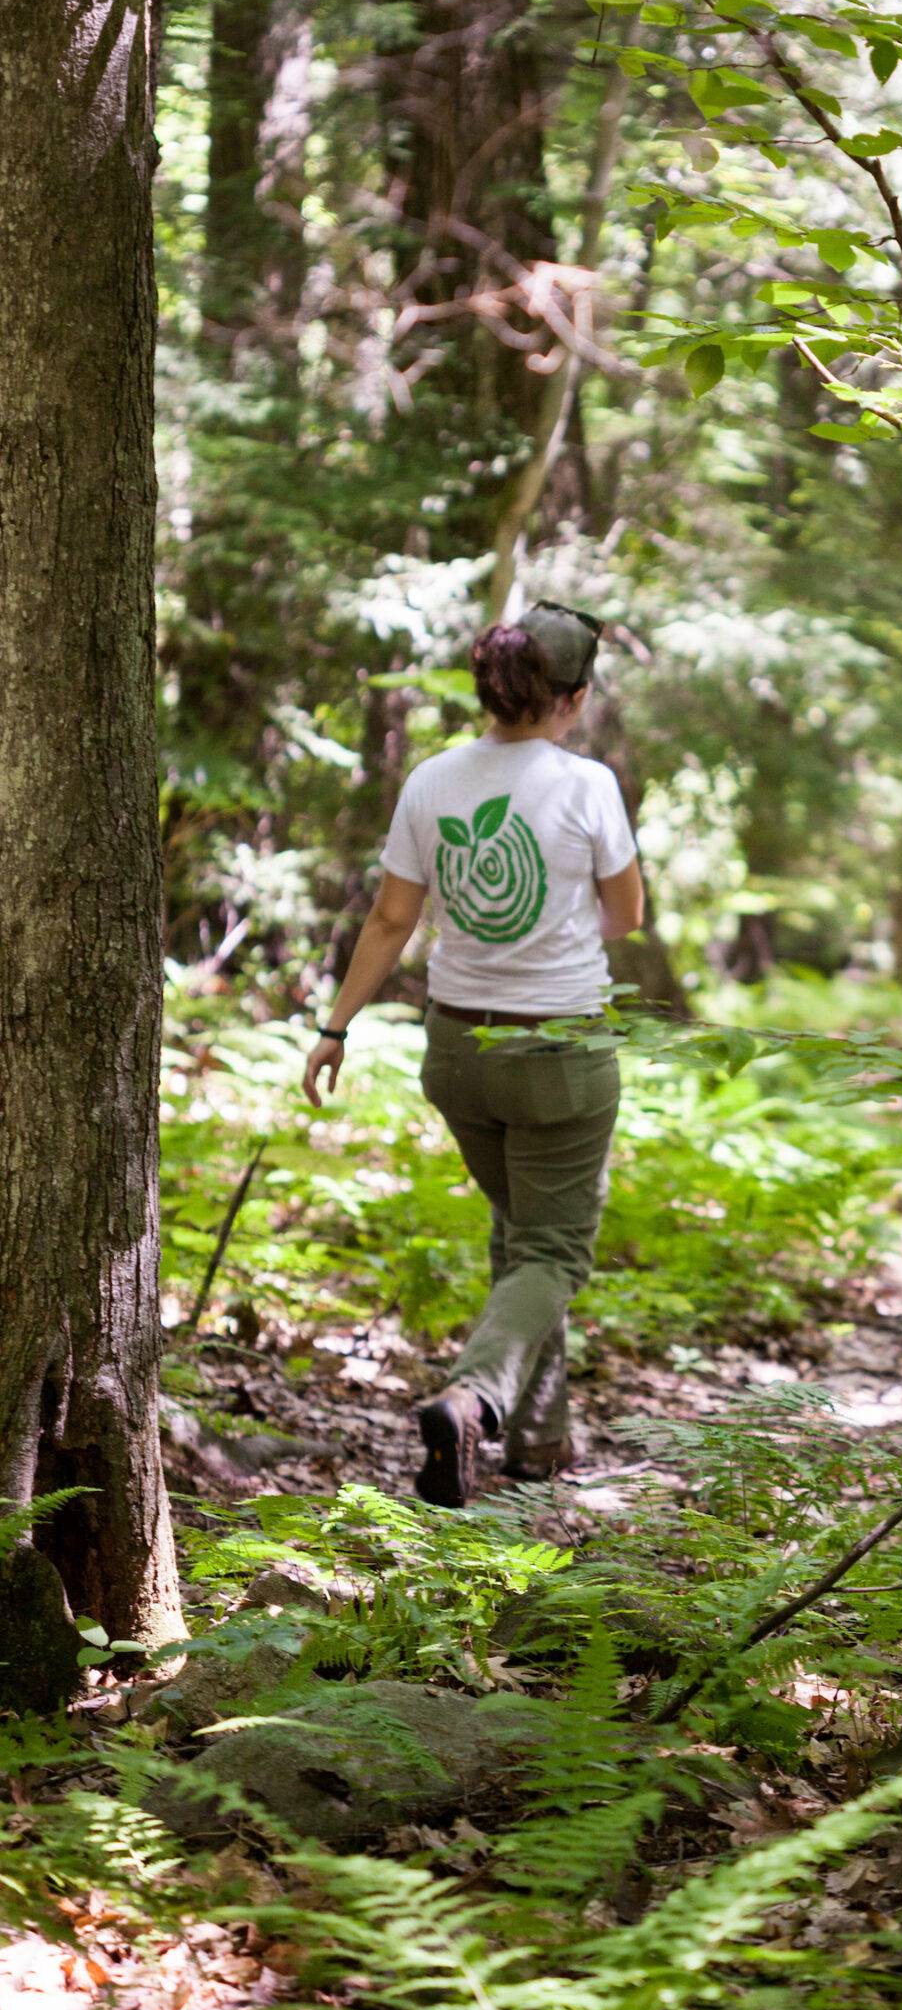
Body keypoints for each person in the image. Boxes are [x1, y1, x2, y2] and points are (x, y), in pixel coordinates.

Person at [302, 604, 646, 1506]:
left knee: (520, 1236)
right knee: (554, 1253)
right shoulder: (587, 786)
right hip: (560, 1050)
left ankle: (537, 1445)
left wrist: (334, 1027)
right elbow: (627, 915)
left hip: (458, 1049)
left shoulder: (431, 781)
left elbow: (389, 921)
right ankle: (474, 1400)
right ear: (569, 699)